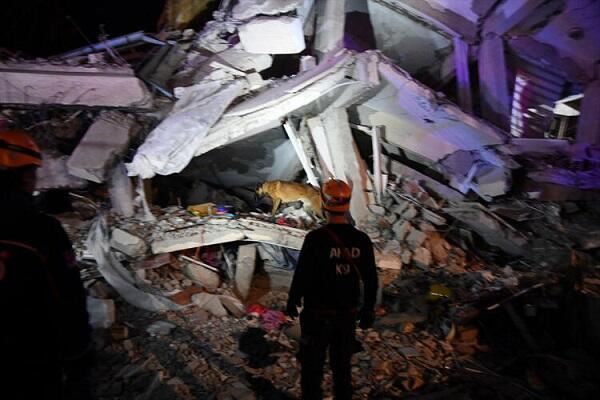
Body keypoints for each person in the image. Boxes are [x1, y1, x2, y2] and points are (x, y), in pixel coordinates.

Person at [0, 129, 92, 399]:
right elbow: (68, 296)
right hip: (29, 357)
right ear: (25, 176)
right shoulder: (39, 230)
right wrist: (79, 355)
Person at [286, 179, 379, 400]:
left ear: (323, 202)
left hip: (316, 315)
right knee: (342, 369)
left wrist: (293, 300)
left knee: (312, 370)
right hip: (346, 316)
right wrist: (368, 310)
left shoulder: (315, 238)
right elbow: (371, 279)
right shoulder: (361, 239)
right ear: (347, 203)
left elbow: (302, 274)